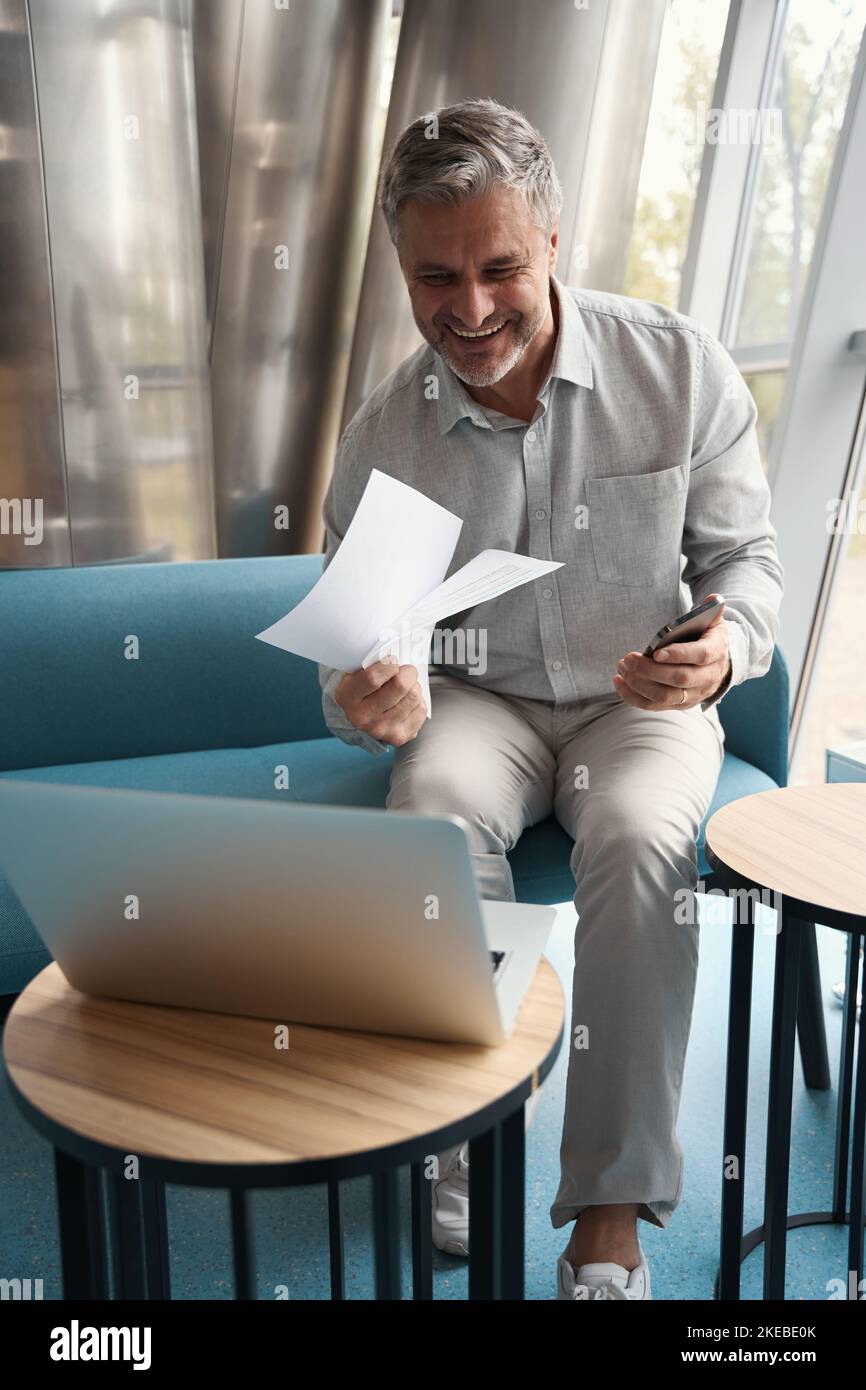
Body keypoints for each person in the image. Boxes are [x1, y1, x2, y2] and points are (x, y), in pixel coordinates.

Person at [317, 98, 783, 1301]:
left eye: (499, 268)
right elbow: (355, 651)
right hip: (483, 700)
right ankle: (471, 1134)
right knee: (425, 803)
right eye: (434, 278)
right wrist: (362, 696)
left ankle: (607, 1220)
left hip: (639, 705)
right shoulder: (381, 437)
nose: (467, 311)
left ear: (553, 244)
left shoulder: (675, 370)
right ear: (400, 272)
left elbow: (750, 569)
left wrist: (721, 646)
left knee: (637, 841)